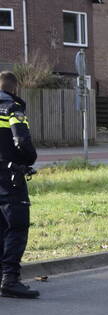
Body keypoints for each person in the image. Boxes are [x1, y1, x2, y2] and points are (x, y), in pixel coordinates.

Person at [0, 71, 38, 299]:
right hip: (10, 177)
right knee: (16, 226)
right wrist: (28, 160)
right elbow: (21, 140)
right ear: (15, 89)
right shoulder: (12, 108)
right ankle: (10, 280)